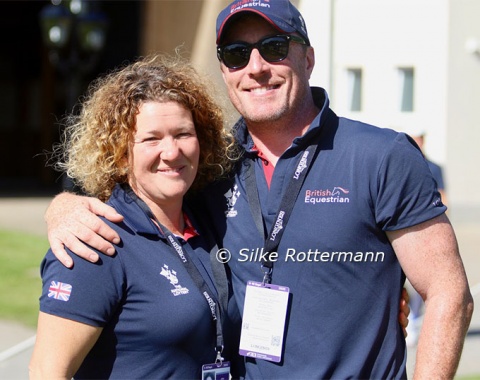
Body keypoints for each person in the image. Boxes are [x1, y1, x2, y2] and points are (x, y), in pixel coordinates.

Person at [43, 1, 473, 379]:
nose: (256, 68)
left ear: (308, 58)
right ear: (225, 71)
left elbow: (448, 292)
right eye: (235, 54)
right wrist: (62, 208)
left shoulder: (380, 156)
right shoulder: (209, 166)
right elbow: (136, 190)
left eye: (274, 47)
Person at [29, 54, 240, 379]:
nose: (171, 152)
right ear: (120, 152)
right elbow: (46, 372)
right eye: (151, 138)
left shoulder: (206, 221)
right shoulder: (93, 241)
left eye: (183, 134)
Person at [405, 127, 449, 347]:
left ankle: (417, 320)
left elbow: (443, 197)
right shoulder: (402, 165)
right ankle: (411, 319)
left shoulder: (434, 168)